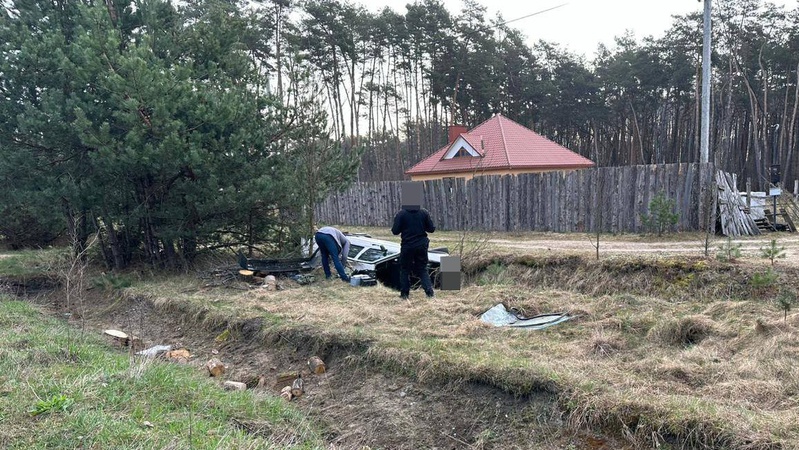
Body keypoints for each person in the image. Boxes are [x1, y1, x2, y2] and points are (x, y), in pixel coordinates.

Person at [391, 204, 436, 299]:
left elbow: (395, 231)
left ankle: (404, 295)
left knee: (405, 270)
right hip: (421, 245)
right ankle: (429, 293)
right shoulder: (424, 212)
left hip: (407, 246)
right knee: (422, 269)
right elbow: (431, 229)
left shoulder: (401, 214)